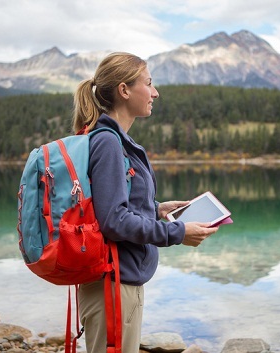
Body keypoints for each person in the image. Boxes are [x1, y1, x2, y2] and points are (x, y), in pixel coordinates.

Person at [72, 52, 219, 353]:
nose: (155, 92)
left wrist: (156, 209)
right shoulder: (109, 142)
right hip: (112, 286)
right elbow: (114, 221)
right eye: (149, 83)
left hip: (116, 283)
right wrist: (177, 233)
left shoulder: (112, 139)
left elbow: (112, 207)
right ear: (124, 91)